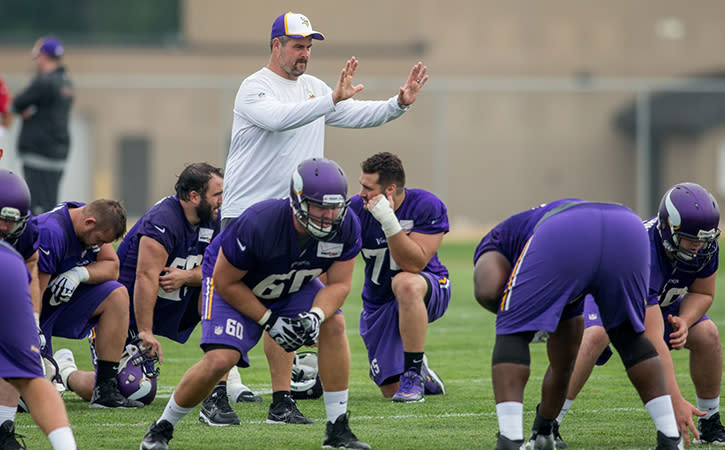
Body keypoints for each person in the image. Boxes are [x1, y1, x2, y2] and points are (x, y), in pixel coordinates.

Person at [221, 10, 428, 423]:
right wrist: (328, 100)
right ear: (275, 45)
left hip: (294, 219)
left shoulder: (314, 89)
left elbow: (353, 115)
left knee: (290, 312)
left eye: (309, 47)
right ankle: (221, 389)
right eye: (297, 46)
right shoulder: (254, 87)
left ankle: (282, 401)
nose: (304, 54)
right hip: (247, 215)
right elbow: (277, 119)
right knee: (231, 306)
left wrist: (397, 105)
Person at [140, 158, 370, 450]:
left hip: (289, 280)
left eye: (334, 206)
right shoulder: (260, 222)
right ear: (297, 200)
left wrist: (314, 316)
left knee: (333, 322)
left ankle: (337, 430)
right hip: (234, 281)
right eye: (319, 206)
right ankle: (161, 428)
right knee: (221, 359)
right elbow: (226, 282)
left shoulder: (346, 224)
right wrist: (270, 321)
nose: (328, 215)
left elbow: (339, 284)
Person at [473, 199, 685, 450]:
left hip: (564, 232)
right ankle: (671, 438)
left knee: (512, 332)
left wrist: (518, 318)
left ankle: (509, 440)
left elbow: (488, 290)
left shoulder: (496, 242)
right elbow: (562, 364)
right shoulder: (534, 238)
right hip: (628, 225)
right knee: (627, 337)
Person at [555, 182, 723, 447]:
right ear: (668, 228)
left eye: (704, 240)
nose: (698, 248)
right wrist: (676, 401)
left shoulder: (703, 246)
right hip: (610, 295)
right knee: (596, 336)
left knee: (708, 335)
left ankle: (710, 420)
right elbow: (653, 340)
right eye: (691, 240)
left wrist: (685, 321)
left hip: (661, 302)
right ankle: (551, 421)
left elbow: (703, 293)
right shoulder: (641, 250)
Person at [348, 152, 449, 402]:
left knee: (404, 282)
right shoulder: (355, 209)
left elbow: (413, 264)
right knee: (390, 390)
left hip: (428, 288)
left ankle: (412, 373)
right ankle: (423, 373)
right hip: (378, 300)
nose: (361, 193)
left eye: (367, 187)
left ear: (390, 189)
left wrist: (388, 221)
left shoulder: (426, 205)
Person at [33, 199, 143, 409]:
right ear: (89, 223)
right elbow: (33, 291)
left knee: (117, 294)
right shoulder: (52, 232)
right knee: (36, 399)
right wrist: (34, 330)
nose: (99, 247)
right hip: (28, 309)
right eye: (99, 240)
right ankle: (62, 372)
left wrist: (79, 274)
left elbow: (112, 267)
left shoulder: (94, 218)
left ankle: (105, 388)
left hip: (56, 303)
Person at [0, 240, 77, 450]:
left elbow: (32, 262)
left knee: (23, 370)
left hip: (10, 278)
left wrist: (32, 322)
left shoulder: (28, 231)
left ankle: (2, 430)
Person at [11, 36, 74, 215]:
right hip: (58, 152)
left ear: (43, 56)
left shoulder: (43, 82)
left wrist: (24, 109)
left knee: (37, 207)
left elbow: (16, 104)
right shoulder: (66, 81)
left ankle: (37, 242)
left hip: (39, 151)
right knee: (49, 204)